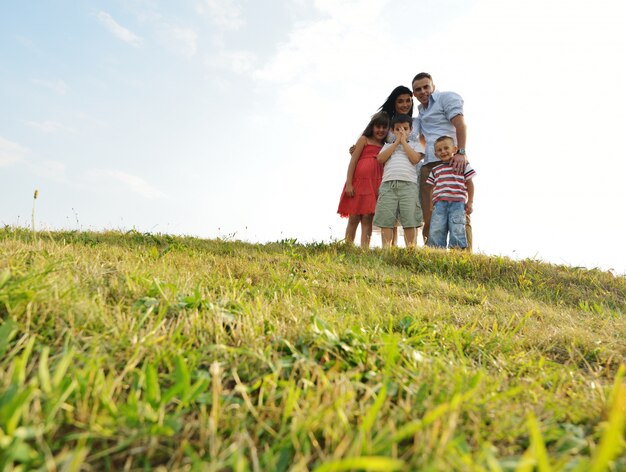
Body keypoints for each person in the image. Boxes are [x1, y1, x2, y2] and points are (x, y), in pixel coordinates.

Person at [411, 72, 471, 247]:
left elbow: (461, 124)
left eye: (425, 87)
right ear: (414, 93)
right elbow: (424, 136)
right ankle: (432, 253)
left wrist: (461, 152)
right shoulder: (421, 110)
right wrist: (427, 149)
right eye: (417, 89)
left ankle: (463, 255)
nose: (422, 91)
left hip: (452, 161)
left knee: (458, 210)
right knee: (429, 212)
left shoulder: (447, 98)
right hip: (429, 165)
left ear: (433, 86)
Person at [337, 112, 390, 248]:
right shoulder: (364, 140)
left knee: (368, 217)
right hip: (358, 182)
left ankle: (364, 249)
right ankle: (347, 247)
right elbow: (353, 161)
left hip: (374, 184)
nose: (381, 130)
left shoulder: (386, 146)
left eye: (384, 127)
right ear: (372, 127)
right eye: (378, 127)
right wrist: (349, 183)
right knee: (354, 216)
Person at [373, 114, 424, 247]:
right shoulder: (387, 146)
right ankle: (386, 251)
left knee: (410, 220)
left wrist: (403, 142)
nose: (402, 132)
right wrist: (396, 142)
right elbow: (380, 159)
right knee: (386, 220)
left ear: (411, 130)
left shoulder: (415, 145)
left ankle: (411, 250)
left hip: (408, 186)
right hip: (388, 185)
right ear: (392, 131)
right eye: (398, 129)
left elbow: (415, 159)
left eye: (405, 129)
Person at [426, 136, 476, 249]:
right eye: (439, 150)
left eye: (446, 148)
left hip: (458, 204)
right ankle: (436, 252)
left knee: (457, 228)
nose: (443, 151)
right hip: (439, 204)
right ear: (435, 154)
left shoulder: (463, 165)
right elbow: (432, 188)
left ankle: (457, 253)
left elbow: (470, 184)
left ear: (454, 149)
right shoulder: (435, 170)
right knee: (437, 228)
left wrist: (470, 202)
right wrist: (431, 204)